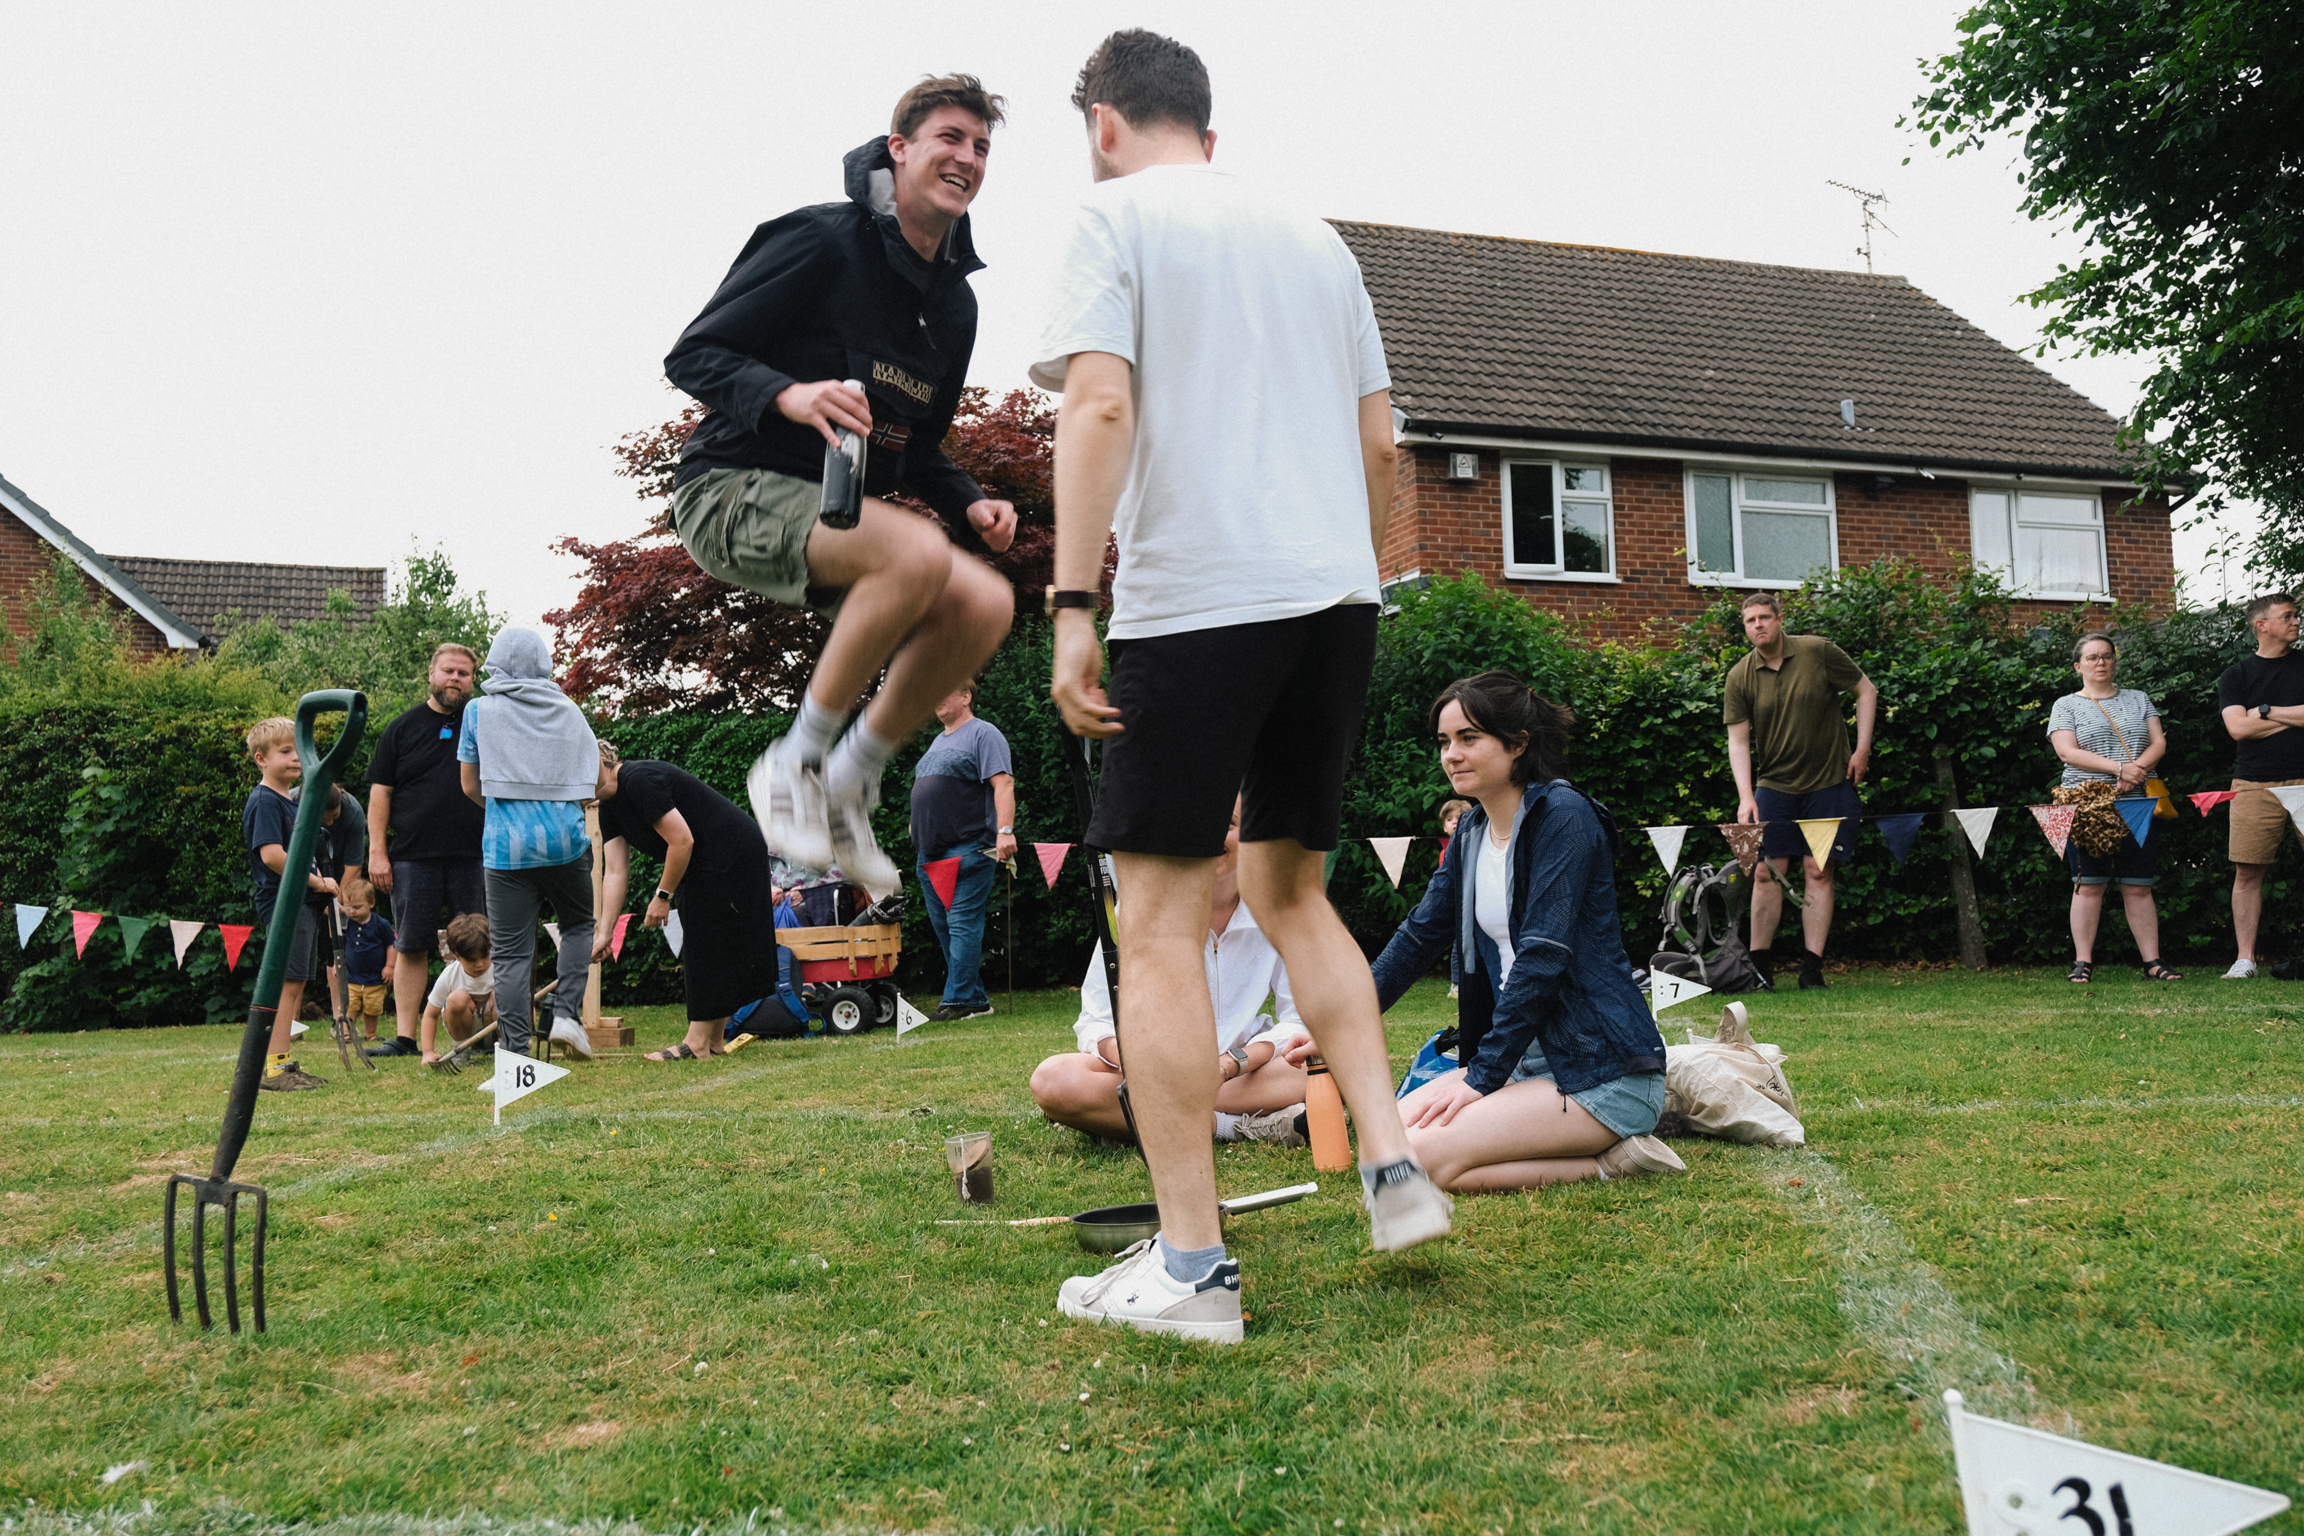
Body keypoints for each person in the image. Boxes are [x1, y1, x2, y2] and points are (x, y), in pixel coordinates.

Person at [1039, 29, 1449, 1344]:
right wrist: (1342, 556)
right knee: (1286, 887)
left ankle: (1193, 1270)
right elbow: (1383, 440)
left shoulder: (1112, 217)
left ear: (1103, 125)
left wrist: (1071, 606)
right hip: (1338, 598)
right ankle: (1389, 1164)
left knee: (1156, 923)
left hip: (1200, 595)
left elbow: (1097, 410)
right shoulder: (1318, 241)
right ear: (1207, 132)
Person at [662, 74, 1019, 899]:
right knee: (919, 554)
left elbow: (920, 444)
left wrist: (969, 497)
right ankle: (793, 765)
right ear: (901, 150)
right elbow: (693, 355)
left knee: (984, 604)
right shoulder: (824, 242)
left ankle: (853, 777)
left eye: (981, 147)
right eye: (950, 139)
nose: (966, 158)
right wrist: (788, 393)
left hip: (840, 511)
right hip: (730, 487)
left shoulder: (955, 307)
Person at [1365, 672, 1682, 1192]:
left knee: (1414, 1160)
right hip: (1523, 1060)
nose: (1452, 754)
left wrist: (1480, 1076)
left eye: (1469, 738)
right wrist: (1341, 1022)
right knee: (1387, 1141)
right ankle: (1578, 1148)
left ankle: (1612, 1161)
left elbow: (1543, 956)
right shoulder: (1470, 832)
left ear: (1517, 744)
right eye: (1445, 742)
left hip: (1599, 1067)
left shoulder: (1564, 816)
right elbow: (1419, 936)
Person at [1029, 798, 1309, 1145]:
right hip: (1157, 1072)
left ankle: (1127, 1118)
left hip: (1243, 1072)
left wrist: (1232, 1063)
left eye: (1230, 824)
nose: (1212, 835)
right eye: (1200, 825)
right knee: (1053, 1080)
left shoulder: (1276, 908)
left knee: (1328, 1066)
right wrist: (1142, 1067)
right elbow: (1097, 1020)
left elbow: (1298, 1021)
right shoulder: (1139, 907)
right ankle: (1235, 1127)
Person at [590, 744, 784, 1062]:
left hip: (730, 852)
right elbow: (615, 871)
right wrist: (605, 932)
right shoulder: (609, 806)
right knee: (712, 939)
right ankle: (714, 1041)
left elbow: (682, 839)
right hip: (708, 858)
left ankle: (696, 1043)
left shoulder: (638, 780)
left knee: (704, 939)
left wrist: (662, 896)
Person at [1724, 591, 1877, 990]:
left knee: (1818, 870)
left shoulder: (1817, 652)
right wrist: (1746, 795)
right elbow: (1738, 742)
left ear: (1778, 619)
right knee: (1763, 873)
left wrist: (1862, 749)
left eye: (1763, 617)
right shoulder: (1739, 676)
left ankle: (1812, 970)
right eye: (1749, 621)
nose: (1757, 625)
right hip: (1773, 786)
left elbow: (1866, 691)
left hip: (1829, 782)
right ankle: (1759, 969)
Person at [456, 629, 598, 1060]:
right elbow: (590, 782)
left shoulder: (477, 711)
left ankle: (516, 1055)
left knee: (512, 956)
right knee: (577, 925)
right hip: (565, 842)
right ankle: (568, 1017)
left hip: (505, 849)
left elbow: (469, 785)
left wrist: (505, 808)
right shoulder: (568, 710)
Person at [365, 644, 485, 1057]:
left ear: (474, 680)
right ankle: (405, 1038)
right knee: (411, 945)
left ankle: (487, 1035)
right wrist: (377, 853)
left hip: (477, 854)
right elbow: (380, 795)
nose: (455, 679)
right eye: (448, 671)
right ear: (431, 673)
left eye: (464, 673)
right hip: (413, 856)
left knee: (482, 944)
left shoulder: (484, 725)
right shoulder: (401, 729)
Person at [2050, 632, 2181, 983]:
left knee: (2139, 885)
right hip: (2087, 806)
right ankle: (2082, 962)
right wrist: (2118, 769)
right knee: (2088, 884)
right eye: (2092, 657)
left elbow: (2159, 742)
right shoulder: (2065, 705)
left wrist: (2133, 773)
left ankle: (2153, 962)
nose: (2101, 662)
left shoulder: (2139, 699)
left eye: (2107, 656)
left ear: (2115, 661)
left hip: (2140, 803)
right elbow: (2067, 751)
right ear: (2078, 665)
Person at [911, 682, 1016, 1021]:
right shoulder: (936, 742)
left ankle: (956, 1002)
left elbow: (1004, 784)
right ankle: (976, 1000)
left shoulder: (983, 734)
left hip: (970, 847)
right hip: (930, 854)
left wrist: (1004, 831)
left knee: (961, 924)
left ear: (965, 696)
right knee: (945, 928)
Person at [240, 717, 333, 1090]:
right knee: (286, 984)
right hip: (283, 901)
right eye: (285, 752)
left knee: (295, 983)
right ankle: (276, 1069)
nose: (297, 758)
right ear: (261, 759)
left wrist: (317, 893)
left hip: (302, 899)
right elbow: (273, 856)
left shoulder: (291, 800)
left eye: (299, 750)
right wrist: (317, 882)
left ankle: (284, 1063)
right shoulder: (264, 800)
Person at [2216, 592, 2304, 978]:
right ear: (2261, 625)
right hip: (2252, 784)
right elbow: (2238, 728)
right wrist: (2295, 716)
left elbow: (2252, 721)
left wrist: (2267, 711)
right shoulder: (2236, 675)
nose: (2296, 622)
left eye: (2296, 616)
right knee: (2248, 872)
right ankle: (2245, 959)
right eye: (2287, 616)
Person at [418, 913, 496, 1065]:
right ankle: (461, 1053)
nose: (479, 964)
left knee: (503, 994)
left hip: (497, 1033)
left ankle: (508, 1050)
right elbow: (430, 1015)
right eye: (471, 959)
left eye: (484, 956)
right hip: (466, 1035)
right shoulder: (450, 975)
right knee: (456, 999)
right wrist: (428, 1052)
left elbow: (523, 1002)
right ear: (457, 955)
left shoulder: (500, 969)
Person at [339, 877, 396, 1043]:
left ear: (371, 903)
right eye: (348, 907)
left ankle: (370, 1033)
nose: (352, 912)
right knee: (350, 1006)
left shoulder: (381, 924)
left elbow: (392, 945)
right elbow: (340, 944)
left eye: (357, 907)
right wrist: (339, 965)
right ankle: (346, 1032)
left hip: (375, 978)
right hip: (352, 976)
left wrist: (390, 966)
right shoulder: (347, 923)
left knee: (372, 1008)